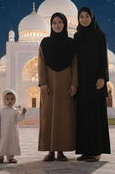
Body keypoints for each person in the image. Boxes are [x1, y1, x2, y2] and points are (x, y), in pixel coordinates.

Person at [38, 12, 77, 161]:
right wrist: (42, 82)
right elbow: (41, 63)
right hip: (49, 86)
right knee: (48, 117)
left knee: (64, 118)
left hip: (66, 85)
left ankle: (61, 151)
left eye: (60, 22)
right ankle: (50, 151)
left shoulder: (71, 44)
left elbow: (75, 65)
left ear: (65, 24)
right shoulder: (45, 43)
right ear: (50, 25)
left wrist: (74, 83)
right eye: (54, 22)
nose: (57, 25)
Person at [74, 7, 111, 162]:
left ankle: (96, 151)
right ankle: (85, 151)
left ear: (92, 17)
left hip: (95, 81)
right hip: (82, 82)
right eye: (81, 16)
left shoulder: (99, 35)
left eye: (87, 16)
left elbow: (103, 58)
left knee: (95, 117)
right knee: (83, 117)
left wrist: (102, 77)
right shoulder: (77, 36)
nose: (84, 19)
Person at [0, 89, 26, 164]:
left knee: (12, 143)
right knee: (2, 143)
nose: (9, 101)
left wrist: (22, 113)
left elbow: (18, 119)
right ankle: (0, 157)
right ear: (4, 100)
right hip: (3, 132)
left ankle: (11, 157)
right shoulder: (2, 111)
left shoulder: (15, 111)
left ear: (15, 100)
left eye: (12, 99)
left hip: (12, 132)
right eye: (7, 99)